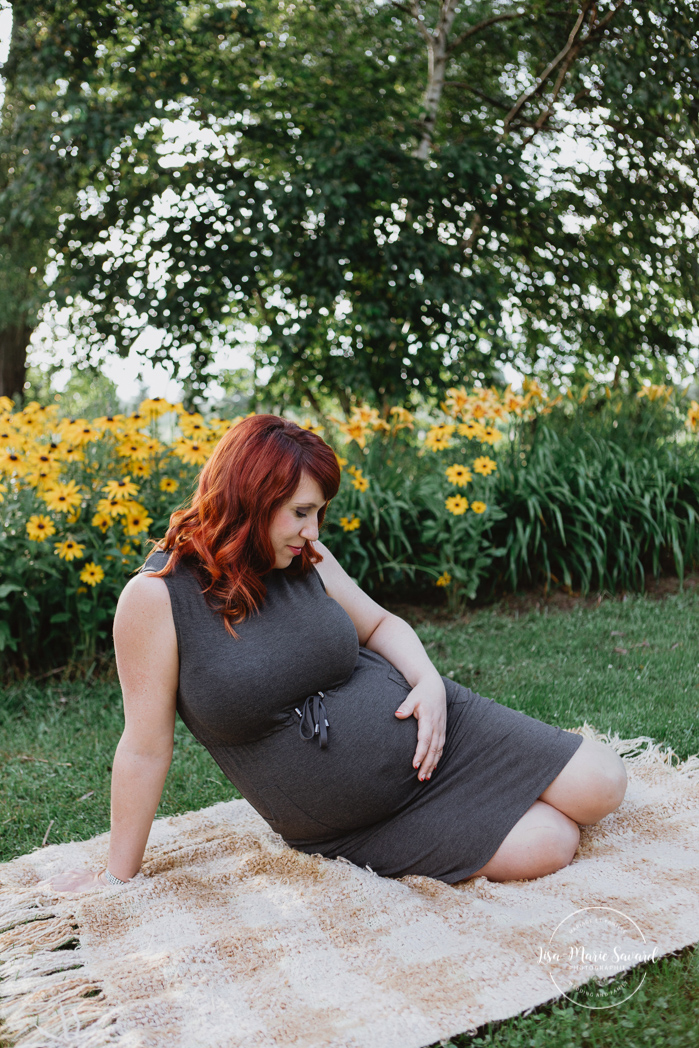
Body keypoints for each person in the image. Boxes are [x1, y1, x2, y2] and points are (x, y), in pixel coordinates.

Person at [50, 415, 627, 894]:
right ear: (249, 498)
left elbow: (379, 623)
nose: (313, 528)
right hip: (358, 820)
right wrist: (114, 877)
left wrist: (427, 682)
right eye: (301, 511)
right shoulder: (155, 598)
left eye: (318, 512)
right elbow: (145, 747)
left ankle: (491, 783)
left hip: (441, 727)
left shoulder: (307, 556)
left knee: (604, 785)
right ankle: (461, 821)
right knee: (552, 843)